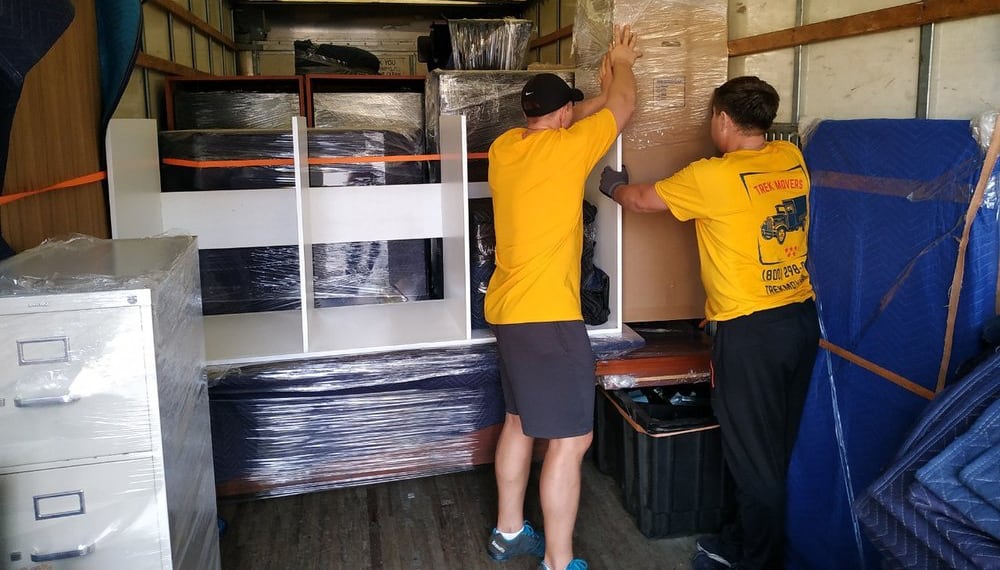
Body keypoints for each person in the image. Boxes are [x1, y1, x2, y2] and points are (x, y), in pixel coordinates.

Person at [598, 76, 820, 570]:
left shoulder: (712, 176)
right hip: (800, 320)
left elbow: (638, 201)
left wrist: (610, 181)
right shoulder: (791, 160)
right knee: (773, 448)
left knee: (752, 457)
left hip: (750, 332)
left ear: (722, 119)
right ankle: (744, 540)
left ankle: (753, 560)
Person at [483, 25, 641, 570]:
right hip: (549, 318)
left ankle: (508, 533)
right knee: (571, 441)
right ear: (564, 116)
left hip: (507, 311)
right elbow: (622, 103)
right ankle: (558, 561)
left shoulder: (505, 148)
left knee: (520, 422)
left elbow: (581, 112)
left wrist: (581, 99)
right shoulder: (569, 149)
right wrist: (620, 61)